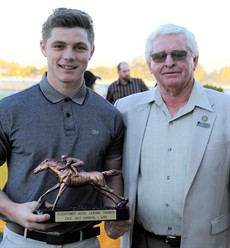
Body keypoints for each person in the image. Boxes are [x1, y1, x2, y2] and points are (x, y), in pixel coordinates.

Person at [0, 8, 131, 248]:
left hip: (86, 242)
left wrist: (114, 214)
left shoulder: (110, 115)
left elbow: (113, 175)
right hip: (22, 242)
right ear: (43, 48)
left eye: (79, 47)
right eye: (59, 46)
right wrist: (13, 210)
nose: (69, 56)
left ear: (91, 51)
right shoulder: (8, 110)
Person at [115, 23, 230, 248]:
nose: (169, 62)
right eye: (159, 56)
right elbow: (111, 170)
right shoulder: (125, 110)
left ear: (195, 60)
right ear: (150, 65)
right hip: (142, 241)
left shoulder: (227, 110)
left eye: (178, 54)